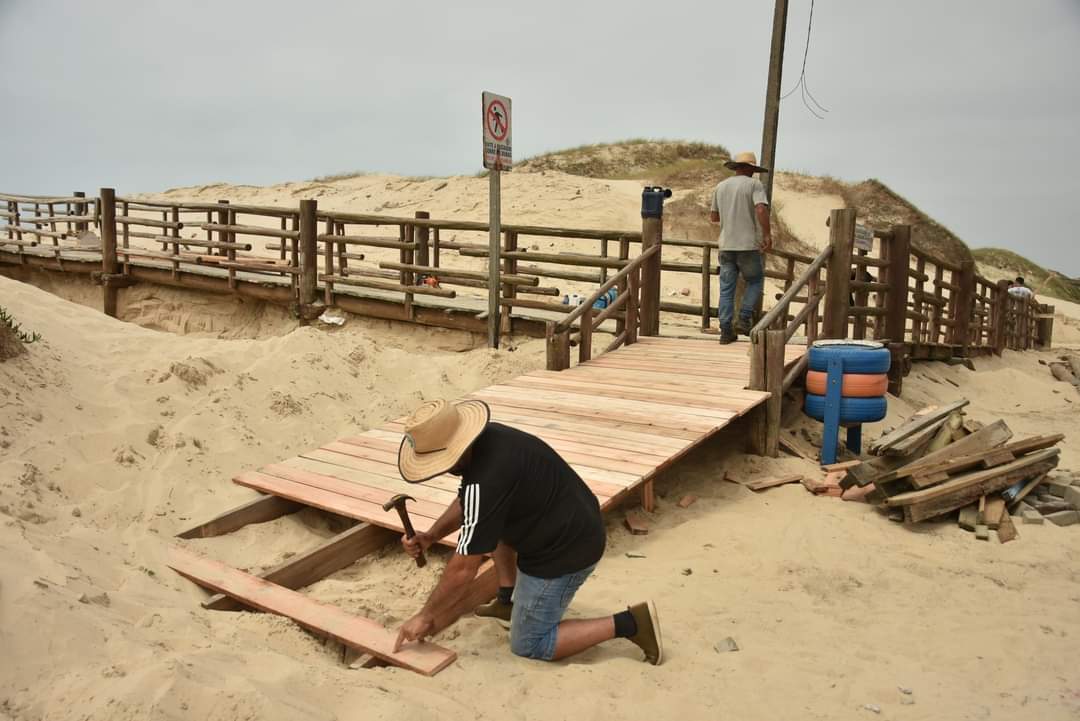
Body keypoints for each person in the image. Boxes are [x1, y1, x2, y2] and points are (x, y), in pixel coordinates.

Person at [392, 399, 663, 664]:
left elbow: (464, 569)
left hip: (567, 550)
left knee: (530, 643)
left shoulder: (488, 480)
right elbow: (470, 504)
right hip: (571, 518)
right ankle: (507, 599)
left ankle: (631, 623)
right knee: (490, 525)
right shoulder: (489, 440)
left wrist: (426, 615)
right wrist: (432, 535)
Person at [709, 151, 772, 344]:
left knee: (726, 289)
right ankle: (744, 318)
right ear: (748, 168)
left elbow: (714, 217)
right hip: (747, 245)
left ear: (736, 167)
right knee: (755, 280)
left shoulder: (720, 187)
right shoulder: (754, 185)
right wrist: (767, 234)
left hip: (726, 245)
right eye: (752, 169)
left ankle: (726, 331)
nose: (753, 172)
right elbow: (761, 208)